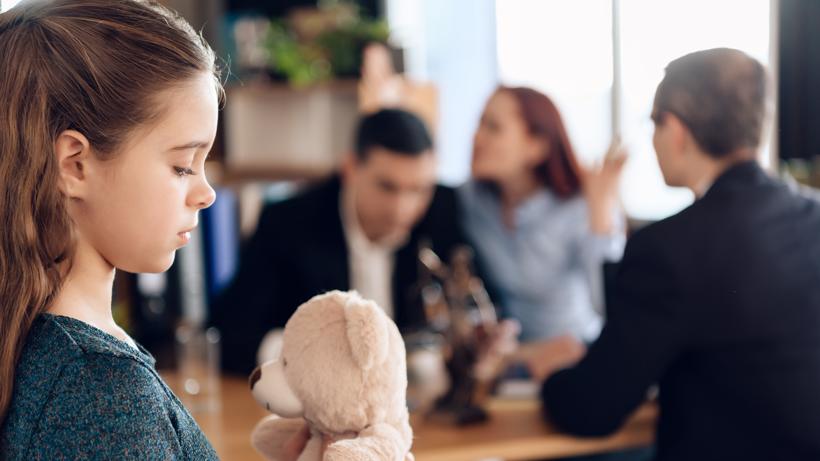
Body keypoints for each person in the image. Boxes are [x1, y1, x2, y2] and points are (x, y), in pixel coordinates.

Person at [540, 48, 820, 460]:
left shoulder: (668, 249)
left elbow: (593, 408)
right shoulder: (813, 215)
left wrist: (550, 377)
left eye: (652, 122)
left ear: (675, 129)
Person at [0, 1, 223, 458]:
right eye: (183, 166)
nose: (207, 193)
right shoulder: (102, 392)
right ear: (75, 164)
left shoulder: (50, 349)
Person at [211, 108, 470, 375]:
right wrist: (307, 354)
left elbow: (475, 306)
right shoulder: (287, 223)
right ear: (350, 168)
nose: (402, 209)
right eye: (387, 187)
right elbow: (232, 334)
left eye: (419, 189)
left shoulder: (443, 210)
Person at [458, 86, 626, 348]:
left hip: (569, 352)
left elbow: (609, 305)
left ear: (536, 147)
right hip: (507, 356)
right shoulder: (472, 198)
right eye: (480, 123)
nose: (477, 138)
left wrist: (601, 215)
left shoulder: (581, 207)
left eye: (493, 127)